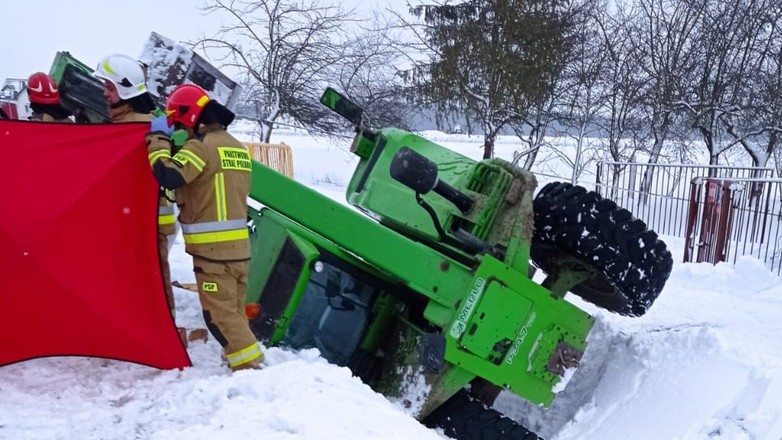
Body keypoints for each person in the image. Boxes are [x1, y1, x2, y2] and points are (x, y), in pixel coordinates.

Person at [145, 83, 264, 371]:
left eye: (178, 123)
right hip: (239, 250)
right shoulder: (235, 147)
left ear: (189, 117)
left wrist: (159, 139)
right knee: (234, 312)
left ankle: (253, 370)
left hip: (214, 254)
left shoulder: (200, 146)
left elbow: (168, 175)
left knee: (219, 317)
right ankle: (240, 361)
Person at [92, 54, 184, 340]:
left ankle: (165, 336)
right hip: (136, 222)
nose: (105, 94)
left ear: (126, 90)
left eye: (109, 88)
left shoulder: (132, 129)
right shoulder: (136, 124)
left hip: (149, 223)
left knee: (154, 283)